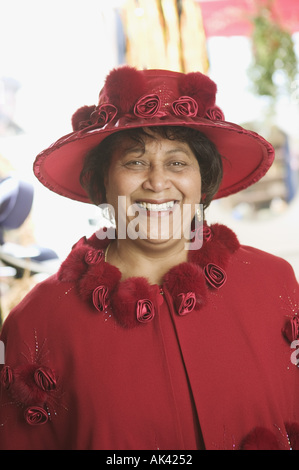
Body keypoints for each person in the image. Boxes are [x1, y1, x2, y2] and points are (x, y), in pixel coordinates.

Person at [0, 66, 298, 451]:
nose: (157, 183)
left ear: (203, 180)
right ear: (103, 180)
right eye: (135, 162)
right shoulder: (38, 321)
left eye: (177, 162)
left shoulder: (274, 283)